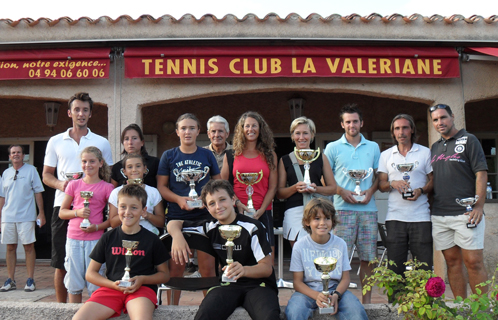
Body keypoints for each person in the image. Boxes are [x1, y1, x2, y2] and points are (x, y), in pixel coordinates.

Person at [167, 179, 280, 320]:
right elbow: (173, 223)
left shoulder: (253, 227)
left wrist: (244, 270)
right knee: (204, 314)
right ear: (207, 208)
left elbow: (266, 268)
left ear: (233, 199)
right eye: (212, 203)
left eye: (222, 200)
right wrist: (177, 236)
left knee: (269, 316)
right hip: (227, 285)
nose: (218, 206)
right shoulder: (210, 226)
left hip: (258, 285)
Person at [43, 92, 113, 303]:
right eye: (77, 109)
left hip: (94, 211)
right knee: (60, 263)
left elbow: (109, 174)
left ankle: (94, 308)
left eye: (85, 110)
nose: (80, 114)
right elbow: (46, 175)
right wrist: (64, 185)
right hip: (63, 208)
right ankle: (63, 311)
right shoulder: (56, 141)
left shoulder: (101, 142)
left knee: (95, 262)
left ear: (90, 114)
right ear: (69, 113)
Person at [72, 184, 170, 320]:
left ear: (143, 210)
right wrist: (112, 285)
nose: (127, 212)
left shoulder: (152, 239)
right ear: (117, 208)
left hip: (142, 289)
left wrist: (142, 279)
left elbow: (164, 275)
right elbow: (90, 274)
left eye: (134, 207)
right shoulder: (108, 237)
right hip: (112, 288)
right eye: (123, 207)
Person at [157, 113, 220, 304]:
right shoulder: (169, 155)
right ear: (177, 132)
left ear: (198, 131)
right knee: (176, 268)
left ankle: (210, 309)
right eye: (183, 128)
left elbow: (217, 183)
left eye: (192, 128)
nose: (187, 132)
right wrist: (179, 199)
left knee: (208, 269)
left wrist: (207, 199)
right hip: (177, 217)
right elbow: (162, 187)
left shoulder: (207, 154)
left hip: (205, 217)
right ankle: (172, 310)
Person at [430, 104, 488, 298]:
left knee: (473, 261)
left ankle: (483, 312)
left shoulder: (469, 140)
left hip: (466, 213)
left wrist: (479, 205)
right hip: (440, 214)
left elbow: (481, 173)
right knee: (452, 263)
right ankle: (461, 309)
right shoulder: (435, 147)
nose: (440, 122)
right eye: (436, 120)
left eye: (443, 117)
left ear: (452, 117)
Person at [323, 103, 380, 304]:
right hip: (341, 210)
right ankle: (339, 298)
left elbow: (378, 178)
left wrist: (370, 191)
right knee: (340, 258)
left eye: (355, 121)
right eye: (348, 121)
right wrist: (340, 190)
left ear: (361, 122)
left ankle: (367, 301)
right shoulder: (332, 148)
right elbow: (324, 178)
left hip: (368, 210)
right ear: (342, 124)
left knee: (368, 258)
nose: (352, 125)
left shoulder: (373, 147)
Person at [285, 198, 368, 320]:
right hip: (307, 291)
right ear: (307, 222)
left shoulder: (340, 244)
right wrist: (317, 295)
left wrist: (336, 295)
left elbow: (345, 279)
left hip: (336, 289)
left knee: (356, 312)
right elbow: (297, 282)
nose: (322, 223)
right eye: (317, 218)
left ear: (332, 221)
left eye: (327, 218)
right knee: (294, 311)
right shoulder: (299, 246)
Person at [377, 114, 433, 278]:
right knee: (395, 269)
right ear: (393, 132)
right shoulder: (386, 155)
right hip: (395, 218)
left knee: (423, 269)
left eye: (405, 127)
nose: (401, 132)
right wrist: (392, 183)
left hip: (421, 218)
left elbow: (433, 181)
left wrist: (421, 191)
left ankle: (424, 304)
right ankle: (395, 304)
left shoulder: (425, 152)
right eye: (397, 128)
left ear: (412, 130)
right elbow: (381, 185)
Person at [59, 146, 114, 303]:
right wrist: (78, 213)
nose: (87, 165)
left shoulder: (107, 187)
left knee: (95, 283)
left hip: (96, 240)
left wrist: (96, 227)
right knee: (73, 282)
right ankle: (74, 314)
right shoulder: (74, 185)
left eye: (92, 161)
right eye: (84, 161)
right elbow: (62, 212)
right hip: (74, 238)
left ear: (100, 163)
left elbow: (113, 219)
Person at [221, 111, 277, 260]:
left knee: (267, 257)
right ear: (241, 129)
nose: (250, 129)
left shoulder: (270, 154)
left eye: (254, 126)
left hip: (263, 211)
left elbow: (273, 187)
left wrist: (262, 210)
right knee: (237, 254)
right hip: (236, 211)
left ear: (260, 128)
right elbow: (223, 184)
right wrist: (237, 203)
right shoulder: (231, 154)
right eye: (247, 126)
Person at [277, 116, 336, 247]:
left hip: (319, 210)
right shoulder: (285, 160)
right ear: (292, 136)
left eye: (305, 133)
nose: (301, 137)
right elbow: (279, 193)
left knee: (320, 252)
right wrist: (294, 188)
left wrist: (317, 189)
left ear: (312, 135)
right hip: (294, 211)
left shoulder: (321, 157)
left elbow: (332, 188)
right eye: (297, 133)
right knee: (299, 254)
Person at [0, 145, 45, 292]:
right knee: (10, 247)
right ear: (10, 157)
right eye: (13, 153)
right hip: (8, 216)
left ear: (23, 155)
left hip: (26, 216)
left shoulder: (31, 170)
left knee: (28, 247)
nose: (16, 154)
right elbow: (2, 196)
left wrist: (41, 213)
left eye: (19, 152)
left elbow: (38, 192)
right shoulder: (5, 173)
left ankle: (30, 280)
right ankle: (10, 280)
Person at [109, 153, 165, 236]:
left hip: (148, 236)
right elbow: (113, 223)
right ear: (124, 171)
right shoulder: (116, 192)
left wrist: (147, 215)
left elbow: (161, 222)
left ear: (145, 169)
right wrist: (127, 213)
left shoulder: (153, 192)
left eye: (138, 166)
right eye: (130, 167)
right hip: (124, 236)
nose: (134, 170)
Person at [111, 124, 160, 188]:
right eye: (126, 139)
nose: (130, 142)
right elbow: (113, 192)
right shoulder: (117, 167)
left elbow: (161, 187)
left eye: (134, 138)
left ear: (142, 142)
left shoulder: (155, 163)